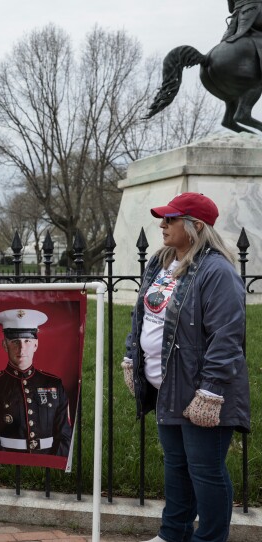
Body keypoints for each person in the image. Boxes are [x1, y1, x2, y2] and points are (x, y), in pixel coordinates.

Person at [122, 192, 249, 542]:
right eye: (163, 218)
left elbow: (227, 337)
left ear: (195, 226)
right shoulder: (161, 263)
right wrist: (133, 355)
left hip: (201, 390)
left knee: (205, 470)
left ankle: (209, 538)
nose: (162, 225)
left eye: (171, 219)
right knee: (176, 465)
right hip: (168, 387)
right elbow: (141, 314)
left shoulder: (217, 271)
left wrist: (210, 392)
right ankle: (172, 533)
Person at [0, 308, 72, 456]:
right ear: (5, 345)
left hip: (49, 461)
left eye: (27, 341)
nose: (22, 348)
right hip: (7, 463)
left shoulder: (54, 384)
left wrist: (51, 465)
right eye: (15, 342)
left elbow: (65, 434)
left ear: (36, 345)